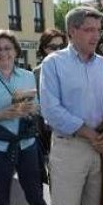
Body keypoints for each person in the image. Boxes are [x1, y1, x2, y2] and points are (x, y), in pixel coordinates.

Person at [40, 6, 103, 205]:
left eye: (98, 30)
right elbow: (51, 110)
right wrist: (90, 134)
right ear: (72, 31)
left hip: (102, 148)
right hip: (69, 149)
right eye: (89, 30)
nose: (96, 36)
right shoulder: (53, 63)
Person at [0, 29, 49, 205]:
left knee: (37, 198)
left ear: (15, 51)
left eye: (7, 48)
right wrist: (1, 114)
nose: (3, 53)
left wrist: (32, 108)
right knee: (1, 202)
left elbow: (38, 105)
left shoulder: (28, 76)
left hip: (27, 145)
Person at [33, 28, 67, 156]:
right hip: (48, 131)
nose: (58, 51)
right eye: (53, 47)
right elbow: (38, 105)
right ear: (44, 49)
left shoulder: (74, 68)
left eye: (62, 46)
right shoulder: (37, 73)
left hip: (75, 130)